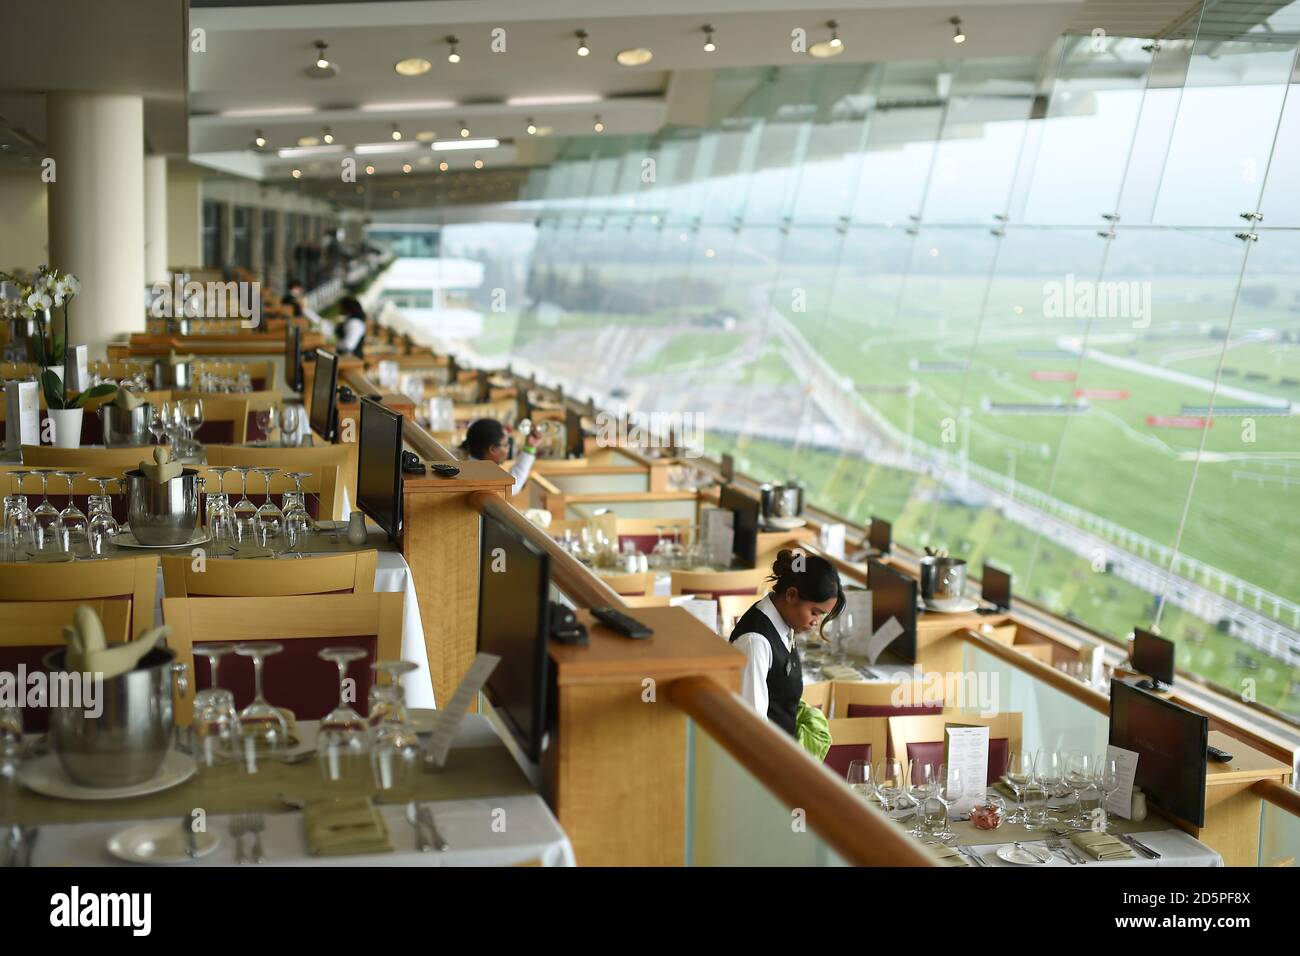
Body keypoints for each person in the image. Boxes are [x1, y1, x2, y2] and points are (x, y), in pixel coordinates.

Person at [729, 549, 844, 742]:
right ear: (791, 595)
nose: (816, 622)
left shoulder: (783, 623)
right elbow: (752, 725)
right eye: (815, 612)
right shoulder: (755, 642)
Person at [460, 418, 544, 496]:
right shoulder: (488, 480)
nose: (508, 448)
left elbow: (514, 483)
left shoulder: (465, 465)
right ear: (493, 449)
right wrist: (529, 448)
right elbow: (514, 485)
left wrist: (530, 447)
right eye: (506, 444)